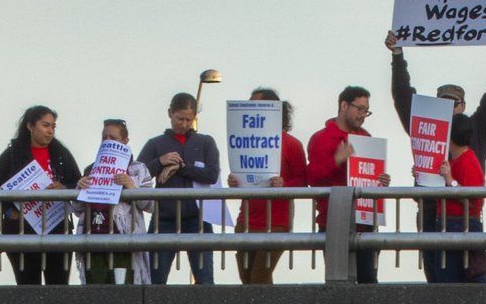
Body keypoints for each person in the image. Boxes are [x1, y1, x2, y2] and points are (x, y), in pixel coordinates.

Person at [389, 27, 486, 281]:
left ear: (463, 106)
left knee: (472, 281)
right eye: (443, 101)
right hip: (430, 212)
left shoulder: (476, 129)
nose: (449, 107)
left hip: (465, 216)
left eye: (454, 102)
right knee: (437, 282)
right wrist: (397, 54)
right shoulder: (424, 126)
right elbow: (403, 97)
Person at [0, 105, 80, 285]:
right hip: (21, 230)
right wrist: (8, 211)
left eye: (53, 126)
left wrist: (64, 187)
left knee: (58, 287)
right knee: (28, 287)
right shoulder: (12, 154)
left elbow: (78, 182)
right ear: (30, 126)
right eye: (45, 125)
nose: (50, 131)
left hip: (57, 227)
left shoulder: (61, 153)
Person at [137, 92, 220, 284]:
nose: (183, 124)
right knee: (155, 279)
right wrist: (160, 162)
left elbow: (212, 174)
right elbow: (137, 175)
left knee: (205, 278)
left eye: (189, 120)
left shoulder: (206, 142)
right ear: (170, 114)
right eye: (179, 118)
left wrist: (180, 167)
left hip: (199, 217)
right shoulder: (155, 143)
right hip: (164, 218)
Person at [233, 89, 306, 285]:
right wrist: (235, 181)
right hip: (246, 221)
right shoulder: (244, 143)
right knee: (246, 278)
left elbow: (302, 181)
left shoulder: (291, 144)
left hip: (276, 223)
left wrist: (285, 184)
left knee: (259, 279)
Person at [307, 86, 379, 284]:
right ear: (344, 105)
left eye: (366, 111)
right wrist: (336, 160)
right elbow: (312, 178)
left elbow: (370, 176)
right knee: (339, 282)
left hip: (364, 222)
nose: (363, 115)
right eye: (360, 109)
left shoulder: (365, 137)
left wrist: (380, 181)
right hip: (333, 221)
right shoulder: (321, 138)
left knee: (369, 282)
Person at [79, 118, 153, 286]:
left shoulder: (138, 169)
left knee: (124, 293)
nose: (107, 141)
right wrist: (80, 188)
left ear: (125, 141)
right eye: (104, 137)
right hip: (94, 240)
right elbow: (78, 210)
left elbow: (151, 205)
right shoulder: (91, 169)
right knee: (96, 294)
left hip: (124, 241)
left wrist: (130, 186)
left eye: (113, 138)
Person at [416, 109, 484, 284]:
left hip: (461, 224)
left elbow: (471, 199)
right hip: (449, 223)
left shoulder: (467, 161)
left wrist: (450, 180)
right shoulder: (455, 161)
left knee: (455, 280)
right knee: (447, 278)